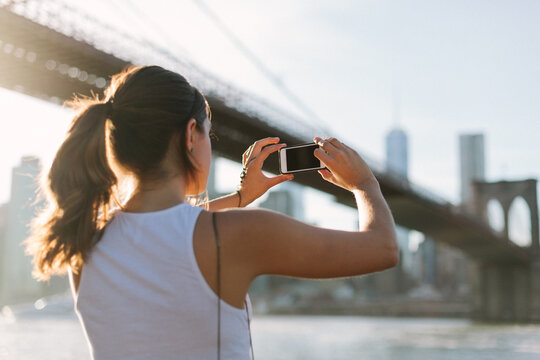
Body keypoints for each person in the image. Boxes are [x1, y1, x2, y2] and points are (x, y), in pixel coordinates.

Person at [24, 65, 399, 360]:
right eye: (208, 134)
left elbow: (160, 233)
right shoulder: (238, 235)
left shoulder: (82, 239)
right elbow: (383, 249)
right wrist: (364, 184)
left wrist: (238, 197)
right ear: (190, 135)